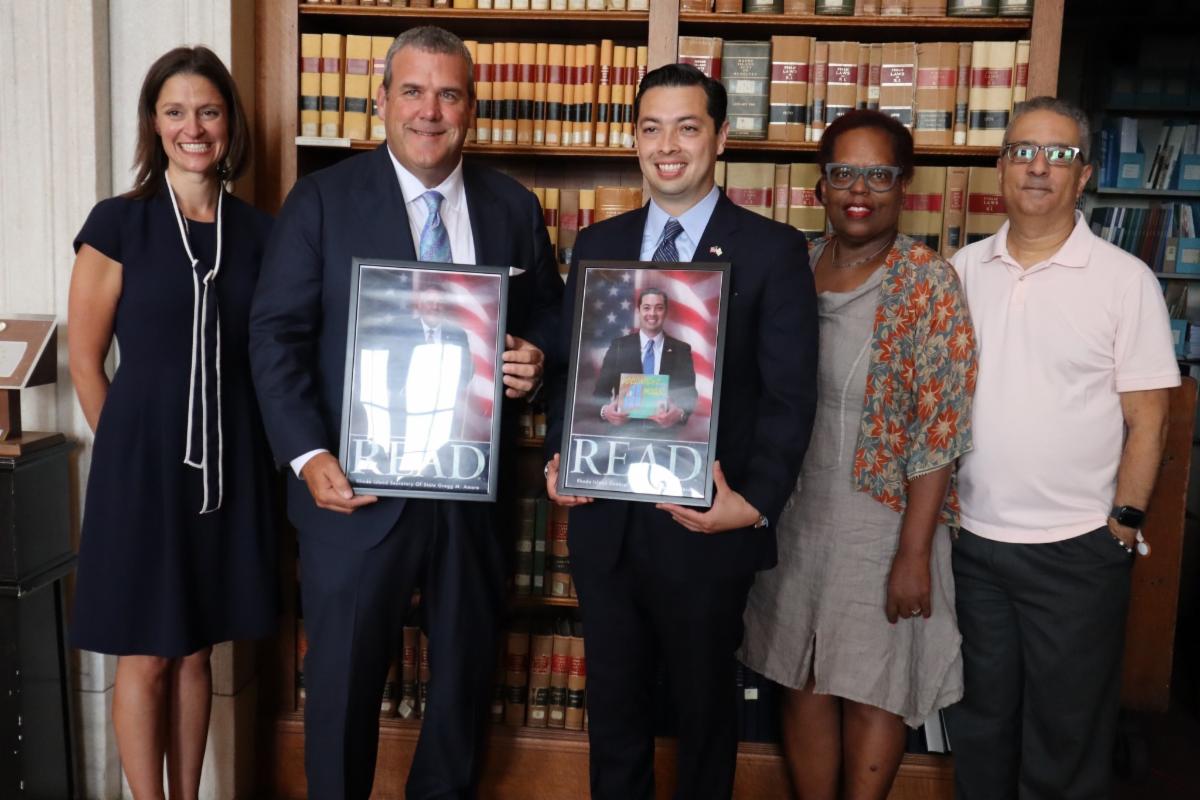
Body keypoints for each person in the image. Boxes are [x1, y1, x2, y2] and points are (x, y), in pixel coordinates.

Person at [248, 25, 562, 800]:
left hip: (470, 496)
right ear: (381, 100)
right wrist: (307, 455)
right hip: (352, 493)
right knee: (345, 688)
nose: (430, 111)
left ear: (472, 109)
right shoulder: (321, 200)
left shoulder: (512, 208)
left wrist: (539, 360)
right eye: (413, 91)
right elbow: (275, 335)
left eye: (449, 93)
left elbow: (550, 319)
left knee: (462, 686)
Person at [544, 63, 818, 800]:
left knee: (703, 718)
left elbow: (791, 398)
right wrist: (556, 458)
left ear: (720, 138)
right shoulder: (597, 242)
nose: (668, 145)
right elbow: (577, 375)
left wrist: (754, 503)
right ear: (635, 140)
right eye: (651, 127)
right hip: (606, 526)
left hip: (706, 528)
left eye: (687, 127)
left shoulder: (771, 251)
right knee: (615, 715)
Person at [945, 96, 1179, 800]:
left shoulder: (1123, 281)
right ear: (1001, 167)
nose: (1039, 167)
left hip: (1076, 550)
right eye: (1023, 151)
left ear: (1083, 177)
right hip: (974, 544)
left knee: (1066, 739)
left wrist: (1123, 525)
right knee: (981, 727)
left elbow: (1150, 421)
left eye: (1060, 154)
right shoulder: (961, 269)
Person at [738, 110, 977, 800]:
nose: (859, 189)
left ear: (905, 187)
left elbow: (941, 430)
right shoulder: (793, 264)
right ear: (821, 186)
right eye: (844, 172)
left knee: (875, 685)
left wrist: (913, 552)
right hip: (792, 510)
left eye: (879, 173)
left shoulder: (929, 282)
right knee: (801, 674)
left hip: (886, 519)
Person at [67, 46, 276, 799]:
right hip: (141, 467)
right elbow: (86, 361)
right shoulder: (117, 223)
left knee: (196, 652)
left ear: (230, 124)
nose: (194, 126)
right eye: (176, 111)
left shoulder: (260, 234)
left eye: (209, 111)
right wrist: (125, 451)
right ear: (154, 124)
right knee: (146, 654)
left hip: (229, 465)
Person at [593, 286, 698, 428]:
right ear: (639, 311)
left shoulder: (681, 349)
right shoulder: (619, 346)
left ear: (665, 312)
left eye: (659, 308)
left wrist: (679, 413)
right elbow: (600, 392)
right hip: (623, 435)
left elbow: (689, 393)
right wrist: (606, 412)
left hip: (665, 437)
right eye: (647, 308)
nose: (652, 313)